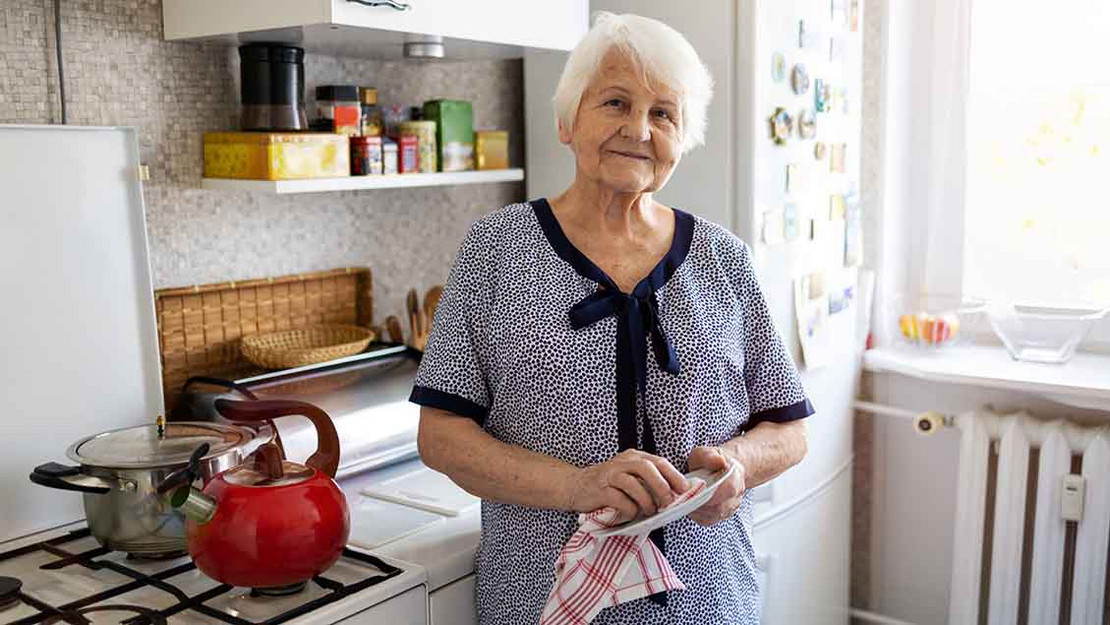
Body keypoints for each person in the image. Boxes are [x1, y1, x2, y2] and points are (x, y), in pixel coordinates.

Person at [410, 12, 813, 625]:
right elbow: (441, 435)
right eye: (616, 102)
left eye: (663, 113)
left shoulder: (723, 257)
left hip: (707, 602)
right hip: (539, 601)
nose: (639, 129)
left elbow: (788, 431)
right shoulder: (496, 249)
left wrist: (738, 465)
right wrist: (578, 487)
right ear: (567, 121)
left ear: (683, 137)